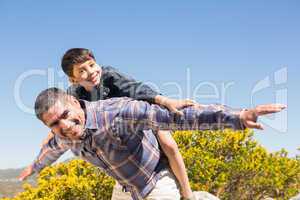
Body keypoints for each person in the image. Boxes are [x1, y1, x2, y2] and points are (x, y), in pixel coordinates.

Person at [19, 88, 285, 200]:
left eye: (65, 115)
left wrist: (237, 117)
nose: (64, 126)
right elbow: (50, 150)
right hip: (125, 188)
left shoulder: (117, 113)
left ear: (75, 103)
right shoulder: (62, 137)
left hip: (156, 179)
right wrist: (35, 166)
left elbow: (178, 118)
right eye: (54, 123)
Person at [30, 48, 197, 199]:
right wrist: (51, 134)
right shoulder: (74, 94)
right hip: (119, 131)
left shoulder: (109, 75)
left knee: (168, 144)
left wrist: (166, 101)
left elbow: (136, 88)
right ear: (73, 79)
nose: (91, 72)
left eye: (92, 65)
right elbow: (63, 115)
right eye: (82, 70)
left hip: (142, 113)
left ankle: (187, 191)